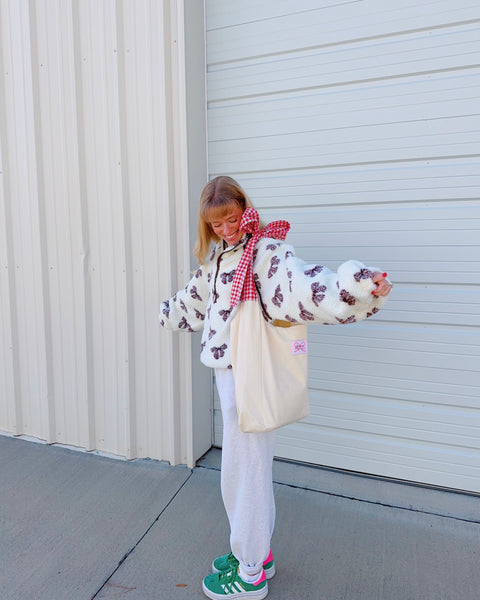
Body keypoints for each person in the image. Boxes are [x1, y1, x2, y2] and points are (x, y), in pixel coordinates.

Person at [159, 176, 392, 600]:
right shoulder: (221, 259)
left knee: (242, 474)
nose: (226, 229)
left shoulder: (264, 253)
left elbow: (303, 284)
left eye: (231, 219)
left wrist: (354, 286)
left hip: (250, 375)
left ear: (243, 209)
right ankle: (257, 554)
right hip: (229, 375)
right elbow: (195, 299)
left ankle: (249, 574)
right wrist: (167, 312)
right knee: (249, 470)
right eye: (216, 224)